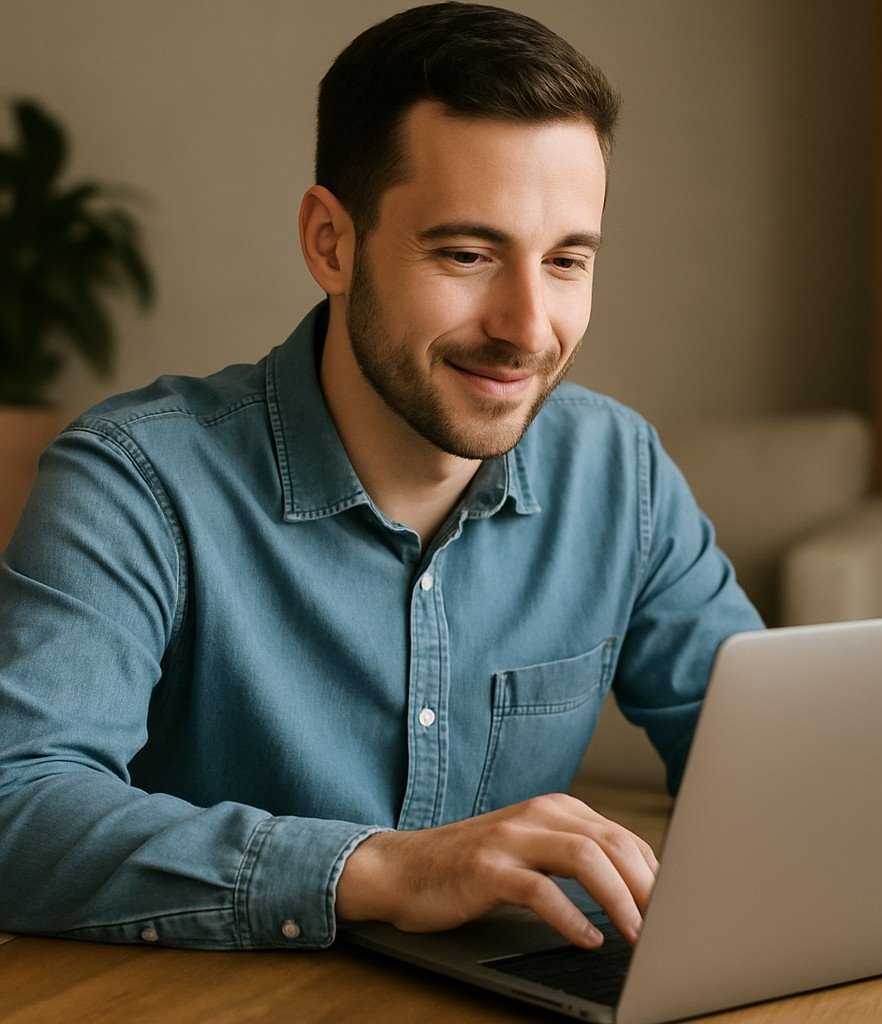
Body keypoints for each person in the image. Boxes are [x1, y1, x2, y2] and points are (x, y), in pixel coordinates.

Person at [0, 2, 762, 953]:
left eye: (566, 260)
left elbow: (771, 771)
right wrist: (382, 870)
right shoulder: (136, 480)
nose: (528, 327)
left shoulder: (622, 472)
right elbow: (15, 805)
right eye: (467, 254)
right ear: (331, 241)